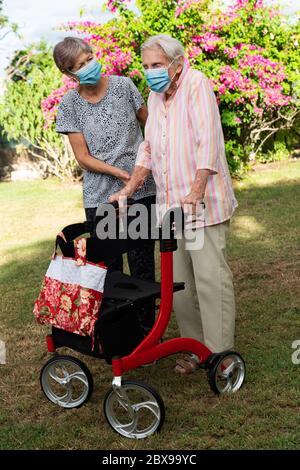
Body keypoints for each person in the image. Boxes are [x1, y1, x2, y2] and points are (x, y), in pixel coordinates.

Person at [110, 34, 238, 372]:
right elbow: (148, 148)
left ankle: (220, 354)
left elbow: (208, 141)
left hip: (202, 203)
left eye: (157, 65)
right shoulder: (154, 97)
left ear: (177, 64)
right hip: (172, 209)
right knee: (177, 284)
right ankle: (196, 349)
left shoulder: (197, 85)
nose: (150, 71)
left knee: (210, 279)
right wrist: (130, 188)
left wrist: (195, 192)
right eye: (147, 65)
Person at [53, 36, 157, 333]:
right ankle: (120, 331)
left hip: (142, 191)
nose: (89, 67)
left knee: (142, 264)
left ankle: (146, 330)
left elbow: (152, 125)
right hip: (101, 197)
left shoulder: (124, 87)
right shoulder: (70, 105)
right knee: (110, 268)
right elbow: (83, 157)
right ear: (69, 74)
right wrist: (122, 174)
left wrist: (141, 172)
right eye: (80, 65)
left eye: (89, 59)